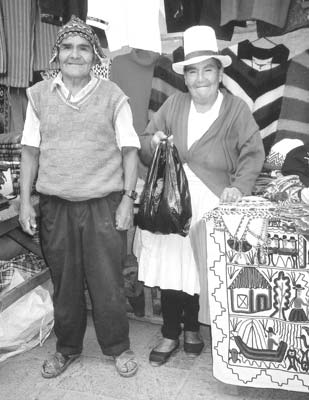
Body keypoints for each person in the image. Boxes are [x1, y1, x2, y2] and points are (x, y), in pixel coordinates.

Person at [133, 25, 265, 366]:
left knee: (196, 269)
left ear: (220, 74)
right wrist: (156, 141)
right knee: (170, 267)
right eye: (193, 71)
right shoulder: (174, 103)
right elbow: (146, 142)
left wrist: (239, 187)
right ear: (185, 77)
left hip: (210, 202)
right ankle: (169, 332)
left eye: (208, 69)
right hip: (171, 202)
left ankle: (192, 329)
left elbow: (253, 153)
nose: (200, 78)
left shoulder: (237, 110)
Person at [19, 16, 140, 378]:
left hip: (102, 204)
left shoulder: (112, 96)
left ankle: (118, 347)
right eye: (68, 48)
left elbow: (130, 151)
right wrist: (25, 200)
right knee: (65, 282)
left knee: (107, 281)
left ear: (95, 56)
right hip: (56, 205)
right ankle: (67, 348)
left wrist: (127, 200)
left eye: (83, 48)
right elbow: (30, 151)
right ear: (56, 55)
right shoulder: (38, 96)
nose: (75, 55)